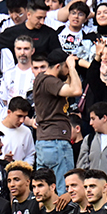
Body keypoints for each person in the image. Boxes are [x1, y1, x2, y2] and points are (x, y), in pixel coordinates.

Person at [33, 50, 82, 189]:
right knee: (64, 189)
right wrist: (72, 67)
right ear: (57, 66)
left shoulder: (41, 79)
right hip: (56, 142)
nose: (68, 71)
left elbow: (68, 86)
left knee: (45, 190)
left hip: (44, 142)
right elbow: (76, 90)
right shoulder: (50, 81)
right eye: (65, 67)